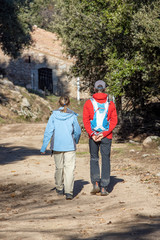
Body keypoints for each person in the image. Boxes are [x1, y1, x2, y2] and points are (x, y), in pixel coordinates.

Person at [40, 96, 81, 200]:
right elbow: (78, 131)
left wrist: (44, 147)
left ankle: (59, 188)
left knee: (59, 167)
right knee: (69, 169)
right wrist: (75, 140)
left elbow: (48, 131)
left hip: (57, 146)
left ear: (58, 103)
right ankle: (69, 192)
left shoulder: (54, 115)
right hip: (70, 146)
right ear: (69, 103)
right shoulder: (72, 116)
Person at [83, 80, 118, 196]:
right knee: (106, 159)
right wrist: (105, 133)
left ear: (94, 89)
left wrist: (92, 134)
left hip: (93, 135)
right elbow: (114, 121)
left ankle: (96, 183)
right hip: (106, 136)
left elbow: (85, 120)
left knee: (94, 158)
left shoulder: (88, 103)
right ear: (105, 89)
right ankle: (104, 187)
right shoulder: (111, 103)